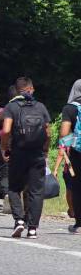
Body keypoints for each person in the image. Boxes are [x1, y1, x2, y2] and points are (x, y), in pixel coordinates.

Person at [1, 77, 51, 239]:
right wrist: (45, 150)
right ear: (30, 89)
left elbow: (7, 129)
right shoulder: (41, 107)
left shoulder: (11, 107)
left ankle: (19, 221)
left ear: (17, 90)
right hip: (37, 154)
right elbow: (48, 132)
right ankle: (33, 229)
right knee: (36, 191)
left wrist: (4, 148)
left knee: (15, 187)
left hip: (18, 153)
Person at [56, 79, 81, 233]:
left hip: (78, 153)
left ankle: (79, 224)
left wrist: (70, 143)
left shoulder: (70, 109)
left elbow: (65, 133)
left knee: (77, 186)